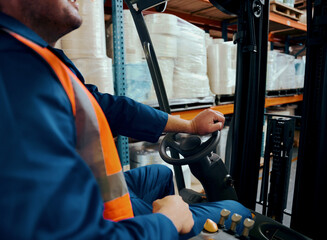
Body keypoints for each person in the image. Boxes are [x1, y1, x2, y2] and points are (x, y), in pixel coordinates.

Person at [0, 0, 251, 239]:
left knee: (160, 175)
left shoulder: (36, 59)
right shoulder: (18, 76)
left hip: (97, 193)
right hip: (105, 218)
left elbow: (115, 109)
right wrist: (167, 222)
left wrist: (190, 126)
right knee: (237, 211)